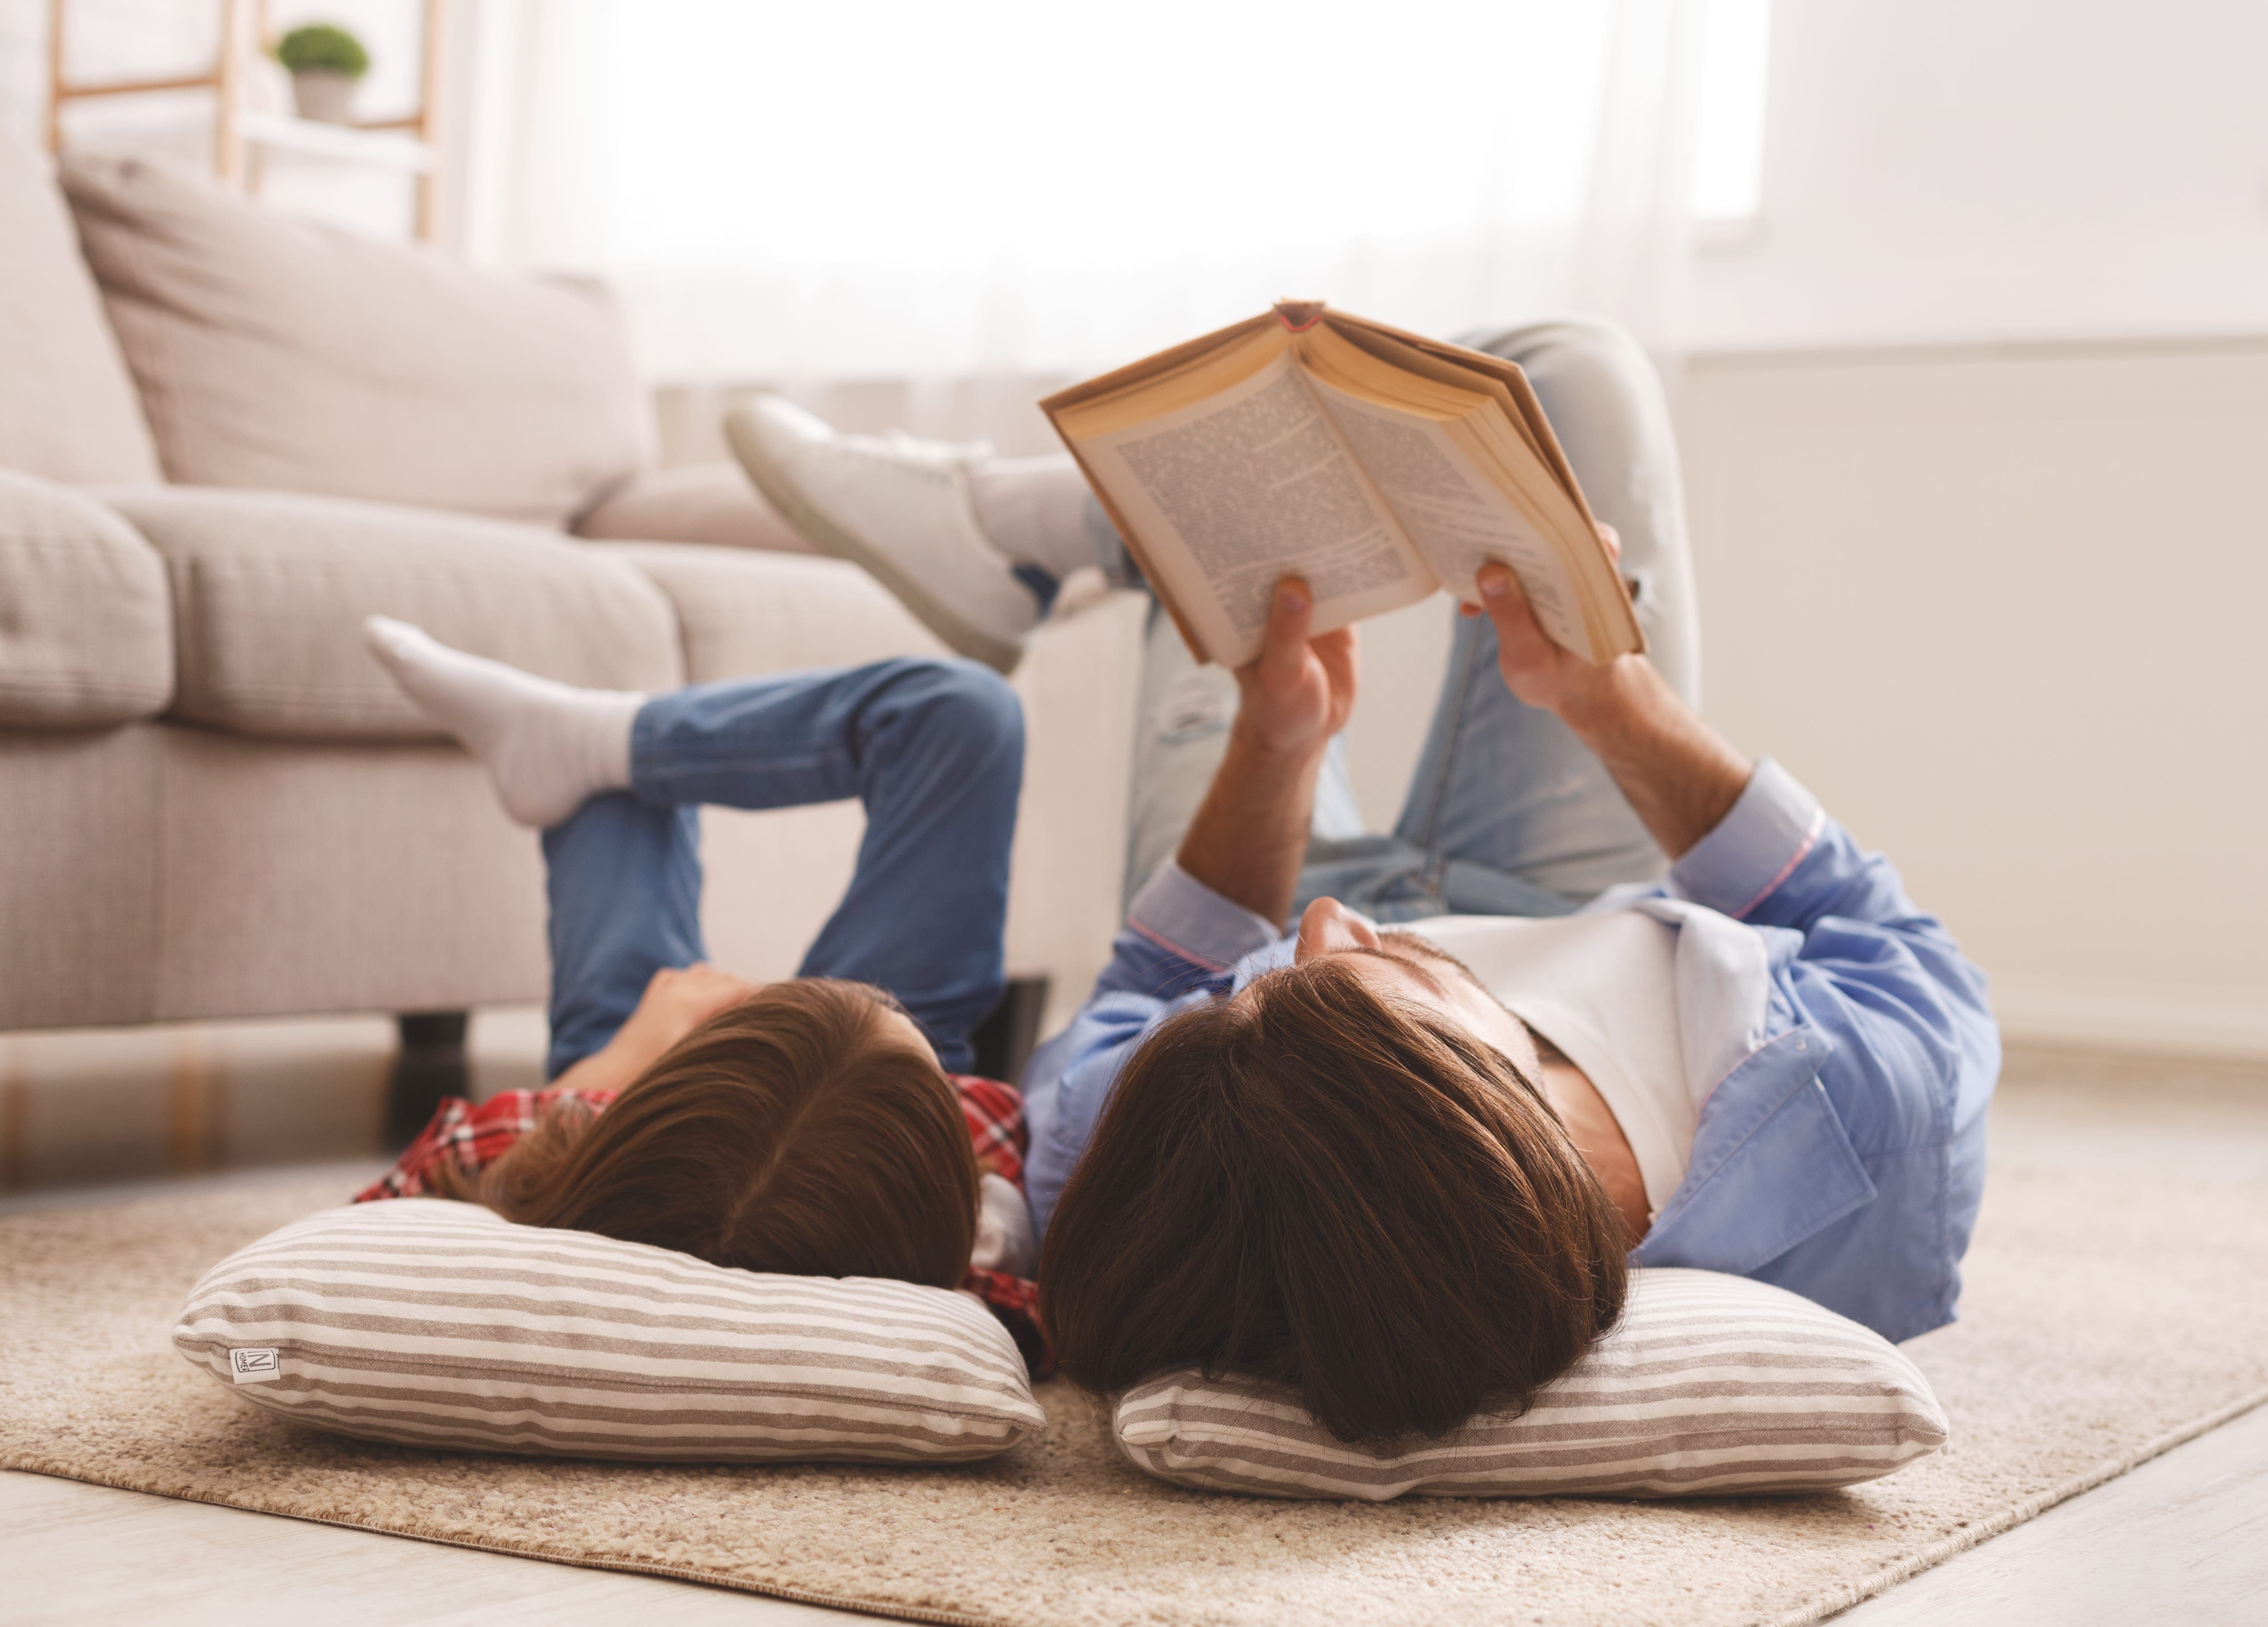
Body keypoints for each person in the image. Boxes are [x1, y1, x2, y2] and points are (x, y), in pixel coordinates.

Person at [733, 320, 1997, 1447]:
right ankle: (1060, 533)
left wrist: (1277, 746)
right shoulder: (1876, 1128)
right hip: (1569, 873)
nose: (1324, 926)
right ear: (1480, 1094)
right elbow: (1859, 915)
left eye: (1269, 991)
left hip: (1254, 851)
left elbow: (1164, 978)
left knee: (1234, 563)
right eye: (1349, 988)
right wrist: (1613, 705)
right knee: (1575, 377)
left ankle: (1031, 535)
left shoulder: (1170, 1156)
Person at [349, 619, 1047, 1366]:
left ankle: (588, 740)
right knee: (963, 713)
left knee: (604, 793)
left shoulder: (558, 1142)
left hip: (627, 1096)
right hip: (847, 1113)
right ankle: (598, 738)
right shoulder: (977, 1229)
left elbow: (372, 1228)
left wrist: (621, 1062)